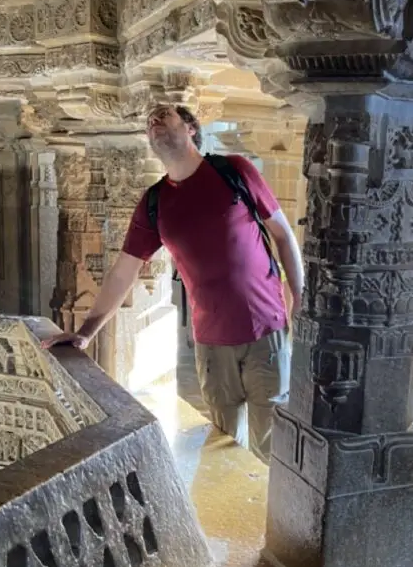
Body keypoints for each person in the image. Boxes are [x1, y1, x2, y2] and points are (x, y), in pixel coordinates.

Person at [41, 103, 304, 463]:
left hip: (266, 332)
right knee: (226, 446)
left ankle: (276, 519)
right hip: (211, 343)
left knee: (274, 446)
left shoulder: (233, 171)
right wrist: (87, 330)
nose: (154, 122)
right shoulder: (155, 202)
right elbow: (123, 270)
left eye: (163, 116)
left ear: (191, 128)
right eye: (149, 121)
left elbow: (284, 236)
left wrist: (299, 297)